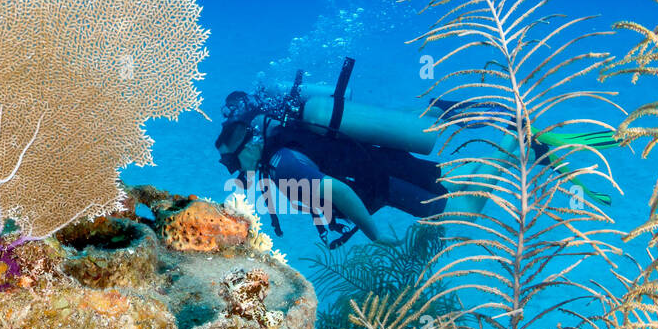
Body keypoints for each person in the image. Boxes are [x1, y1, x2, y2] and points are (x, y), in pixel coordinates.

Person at [214, 57, 617, 248]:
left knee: (460, 213)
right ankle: (446, 112)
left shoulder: (282, 163)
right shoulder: (286, 139)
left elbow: (337, 192)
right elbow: (347, 100)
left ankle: (510, 141)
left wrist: (374, 235)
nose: (240, 172)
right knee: (443, 172)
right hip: (379, 160)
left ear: (248, 144)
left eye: (235, 164)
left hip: (383, 182)